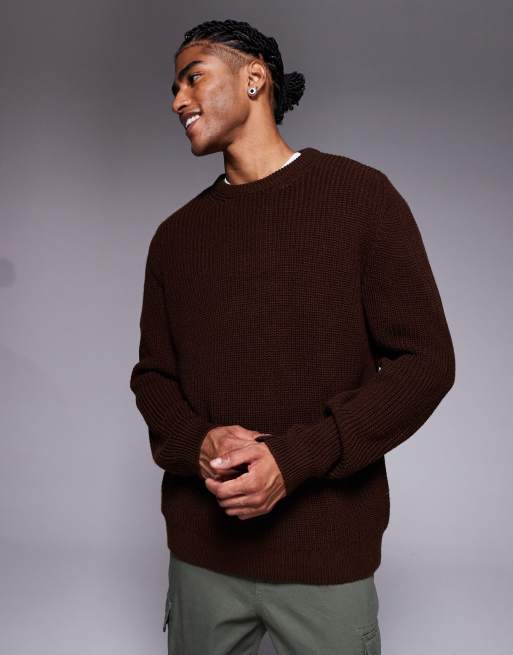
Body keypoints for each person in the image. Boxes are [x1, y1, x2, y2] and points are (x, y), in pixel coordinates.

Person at [129, 18, 456, 655]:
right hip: (202, 561)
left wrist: (295, 458)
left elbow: (426, 362)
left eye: (193, 78)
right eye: (174, 88)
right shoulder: (175, 237)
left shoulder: (359, 197)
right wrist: (198, 443)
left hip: (325, 559)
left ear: (254, 77)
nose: (177, 101)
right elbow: (154, 377)